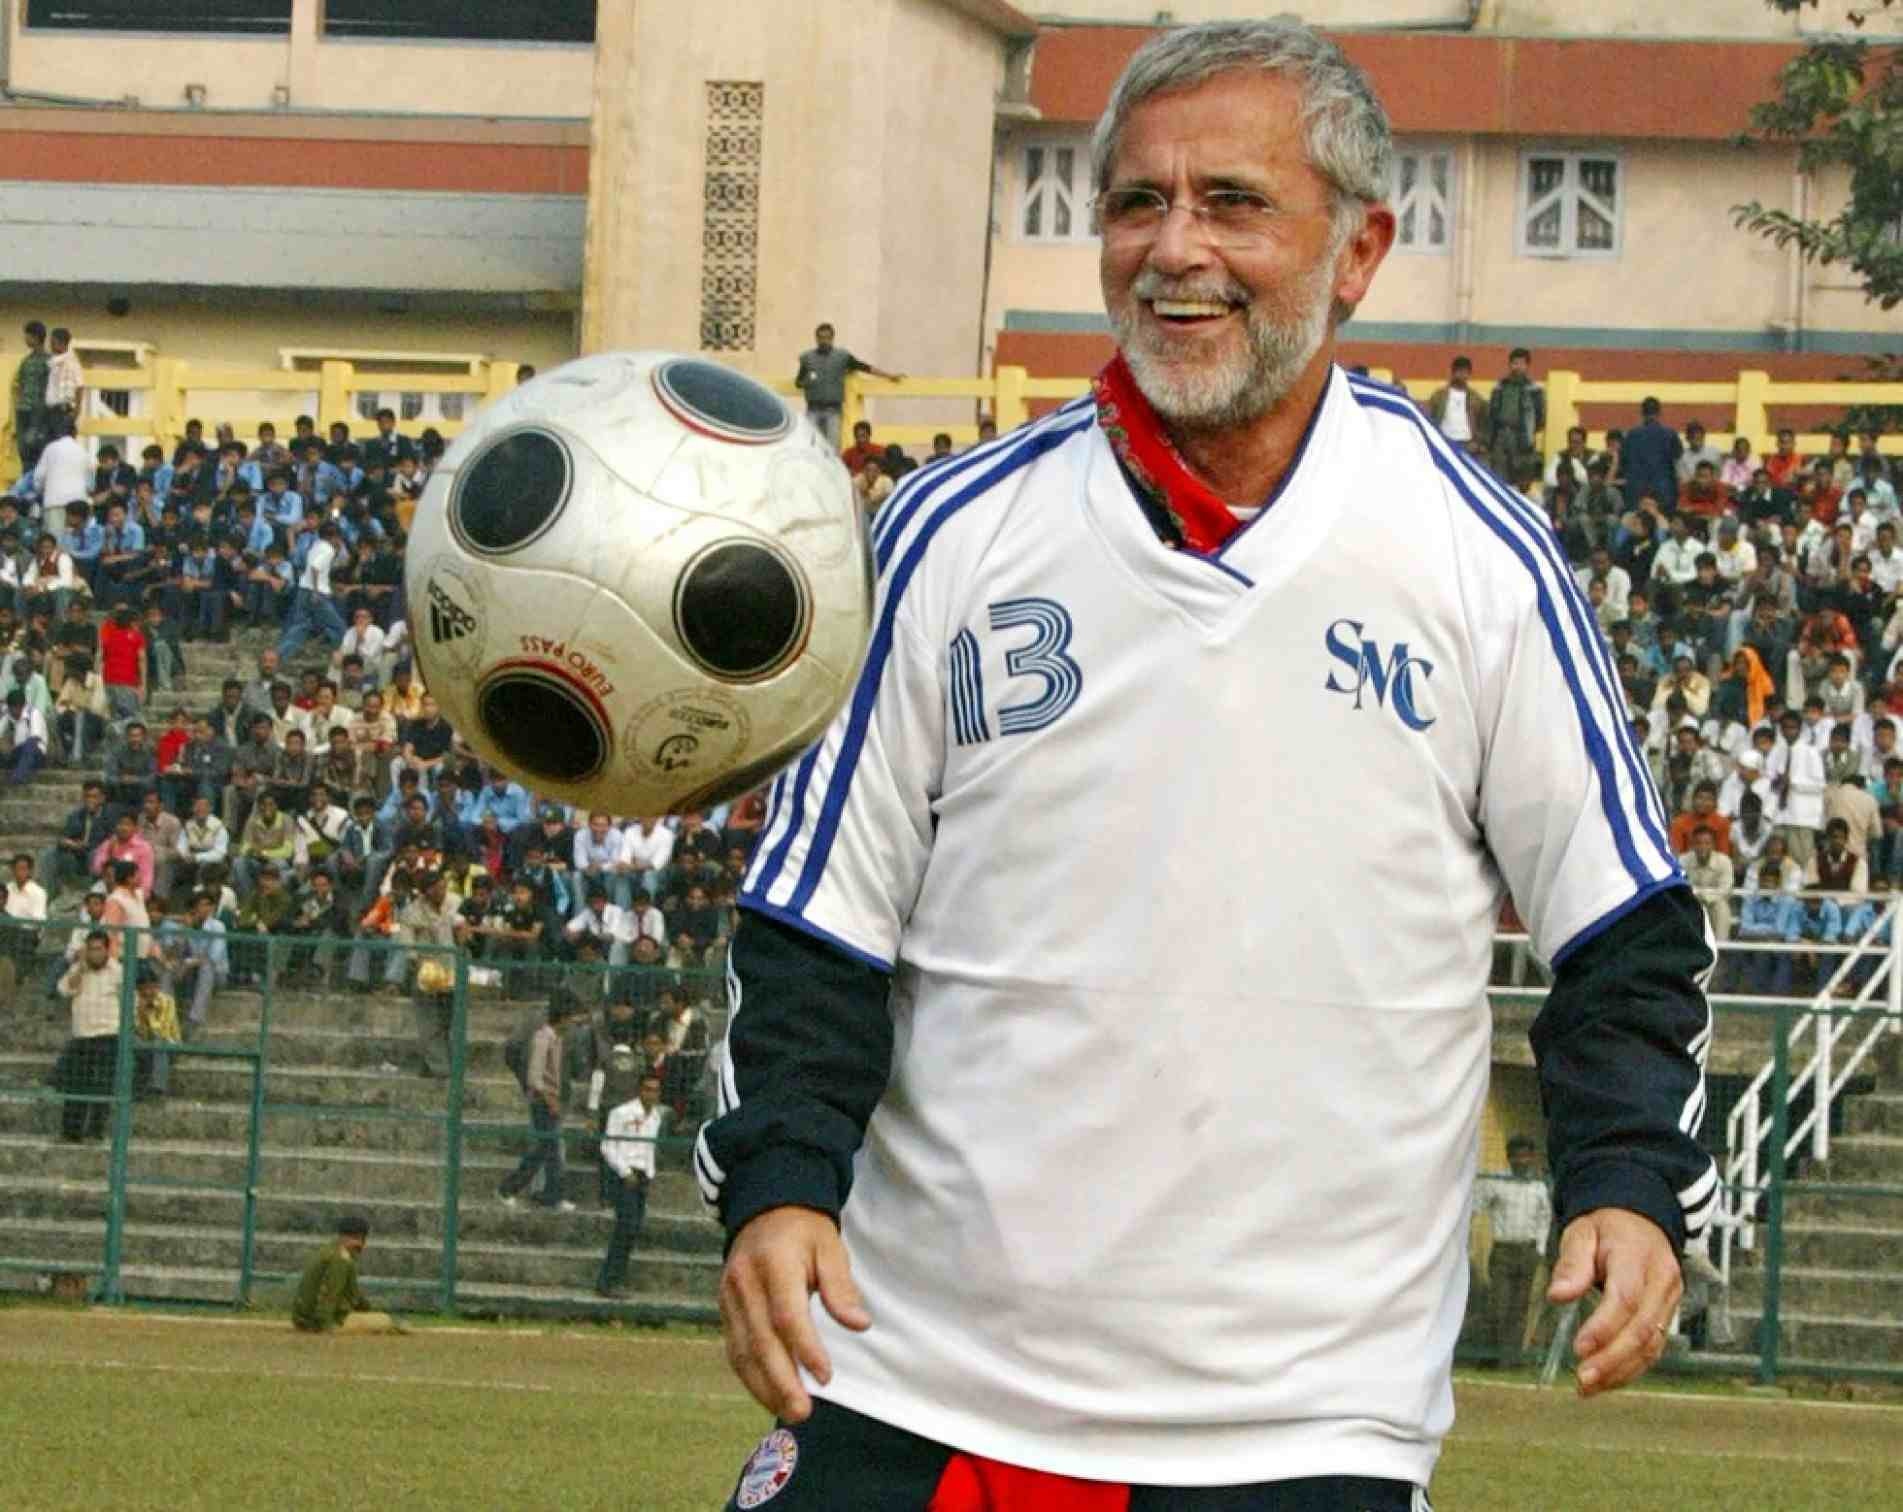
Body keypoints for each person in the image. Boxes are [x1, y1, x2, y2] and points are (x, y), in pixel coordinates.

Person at [703, 21, 1712, 1510]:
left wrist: (1625, 1185)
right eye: (1135, 202)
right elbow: (815, 927)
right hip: (916, 1384)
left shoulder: (1475, 557)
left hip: (1300, 1432)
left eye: (1232, 203)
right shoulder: (944, 535)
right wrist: (781, 1184)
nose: (1173, 250)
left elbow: (1620, 930)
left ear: (1358, 251)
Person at [1471, 1134, 1554, 1366]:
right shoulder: (1497, 1181)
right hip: (1503, 1251)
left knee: (1519, 1308)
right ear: (1509, 1158)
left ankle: (1511, 1361)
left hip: (1528, 1252)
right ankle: (1488, 1358)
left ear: (1532, 1157)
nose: (1522, 1161)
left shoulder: (1538, 1186)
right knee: (1497, 1304)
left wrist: (1539, 1247)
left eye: (1526, 1156)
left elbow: (1544, 1218)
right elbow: (1476, 1206)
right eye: (1517, 1156)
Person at [498, 994, 585, 1211]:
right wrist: (551, 1100)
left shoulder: (557, 1039)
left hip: (552, 1098)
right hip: (543, 1101)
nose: (574, 1023)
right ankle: (508, 1188)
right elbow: (535, 1077)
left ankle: (553, 1194)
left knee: (551, 1150)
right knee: (544, 1148)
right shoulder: (542, 1038)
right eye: (572, 1018)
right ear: (563, 1018)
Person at [597, 1070, 667, 1299]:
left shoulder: (656, 1117)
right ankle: (608, 1281)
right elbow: (608, 1146)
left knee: (633, 1229)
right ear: (639, 1090)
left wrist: (650, 1173)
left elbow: (649, 1148)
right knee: (625, 1227)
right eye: (647, 1089)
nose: (651, 1095)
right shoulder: (621, 1113)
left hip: (642, 1175)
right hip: (624, 1174)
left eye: (655, 1091)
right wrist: (625, 1172)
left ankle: (616, 1279)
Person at [55, 929, 122, 1142]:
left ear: (107, 950)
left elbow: (130, 999)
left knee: (102, 1086)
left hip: (107, 1035)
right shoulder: (79, 968)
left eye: (98, 949)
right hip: (82, 1036)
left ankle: (95, 1132)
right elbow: (63, 990)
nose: (95, 953)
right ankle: (71, 1133)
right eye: (90, 949)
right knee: (76, 1085)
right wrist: (80, 970)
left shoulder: (117, 971)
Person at [792, 323, 902, 449]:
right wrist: (809, 380)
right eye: (821, 337)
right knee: (810, 446)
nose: (824, 341)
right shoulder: (807, 358)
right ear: (816, 338)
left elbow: (864, 367)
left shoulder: (842, 356)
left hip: (833, 410)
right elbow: (798, 383)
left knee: (832, 447)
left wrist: (889, 375)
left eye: (827, 337)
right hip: (813, 410)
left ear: (832, 338)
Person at [291, 1214, 404, 1334]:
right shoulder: (341, 1259)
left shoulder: (329, 1250)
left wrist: (366, 1308)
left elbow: (353, 1294)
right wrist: (325, 1325)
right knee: (384, 1320)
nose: (361, 1245)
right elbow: (331, 1293)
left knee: (378, 1317)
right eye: (358, 1239)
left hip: (303, 1316)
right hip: (314, 1319)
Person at [1486, 346, 1544, 485]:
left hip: (1523, 437)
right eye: (1514, 363)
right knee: (1499, 478)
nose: (1517, 367)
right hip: (1501, 436)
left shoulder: (1534, 389)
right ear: (1510, 364)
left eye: (1521, 363)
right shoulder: (1500, 387)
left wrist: (1528, 431)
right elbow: (1492, 414)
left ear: (1527, 366)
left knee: (1522, 480)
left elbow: (1540, 418)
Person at [1424, 354, 1488, 458]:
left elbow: (1484, 422)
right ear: (1453, 372)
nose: (1462, 375)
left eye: (1465, 372)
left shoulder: (1476, 398)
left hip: (1467, 445)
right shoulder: (1439, 395)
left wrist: (1478, 442)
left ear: (1469, 374)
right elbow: (1428, 417)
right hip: (1444, 442)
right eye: (1459, 371)